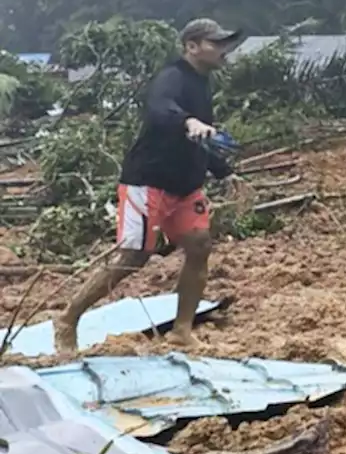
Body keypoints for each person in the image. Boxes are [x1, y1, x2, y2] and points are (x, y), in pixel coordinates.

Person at [54, 18, 246, 355]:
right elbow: (160, 109)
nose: (224, 50)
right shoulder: (172, 77)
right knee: (133, 256)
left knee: (200, 246)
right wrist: (187, 120)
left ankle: (182, 330)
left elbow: (199, 139)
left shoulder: (203, 84)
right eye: (216, 43)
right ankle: (68, 319)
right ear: (192, 46)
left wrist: (225, 172)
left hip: (185, 186)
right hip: (148, 182)